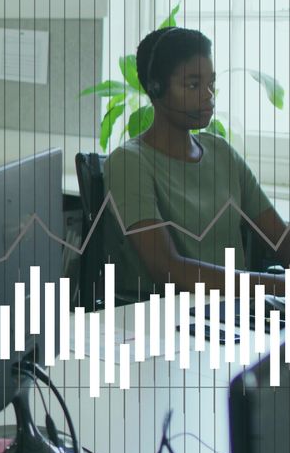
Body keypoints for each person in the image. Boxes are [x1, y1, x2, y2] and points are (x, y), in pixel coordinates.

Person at [104, 27, 290, 298]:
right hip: (170, 317)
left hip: (233, 312)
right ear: (156, 89)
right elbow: (167, 269)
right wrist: (278, 286)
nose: (208, 95)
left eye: (210, 83)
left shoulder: (221, 152)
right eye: (193, 85)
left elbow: (280, 239)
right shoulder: (128, 162)